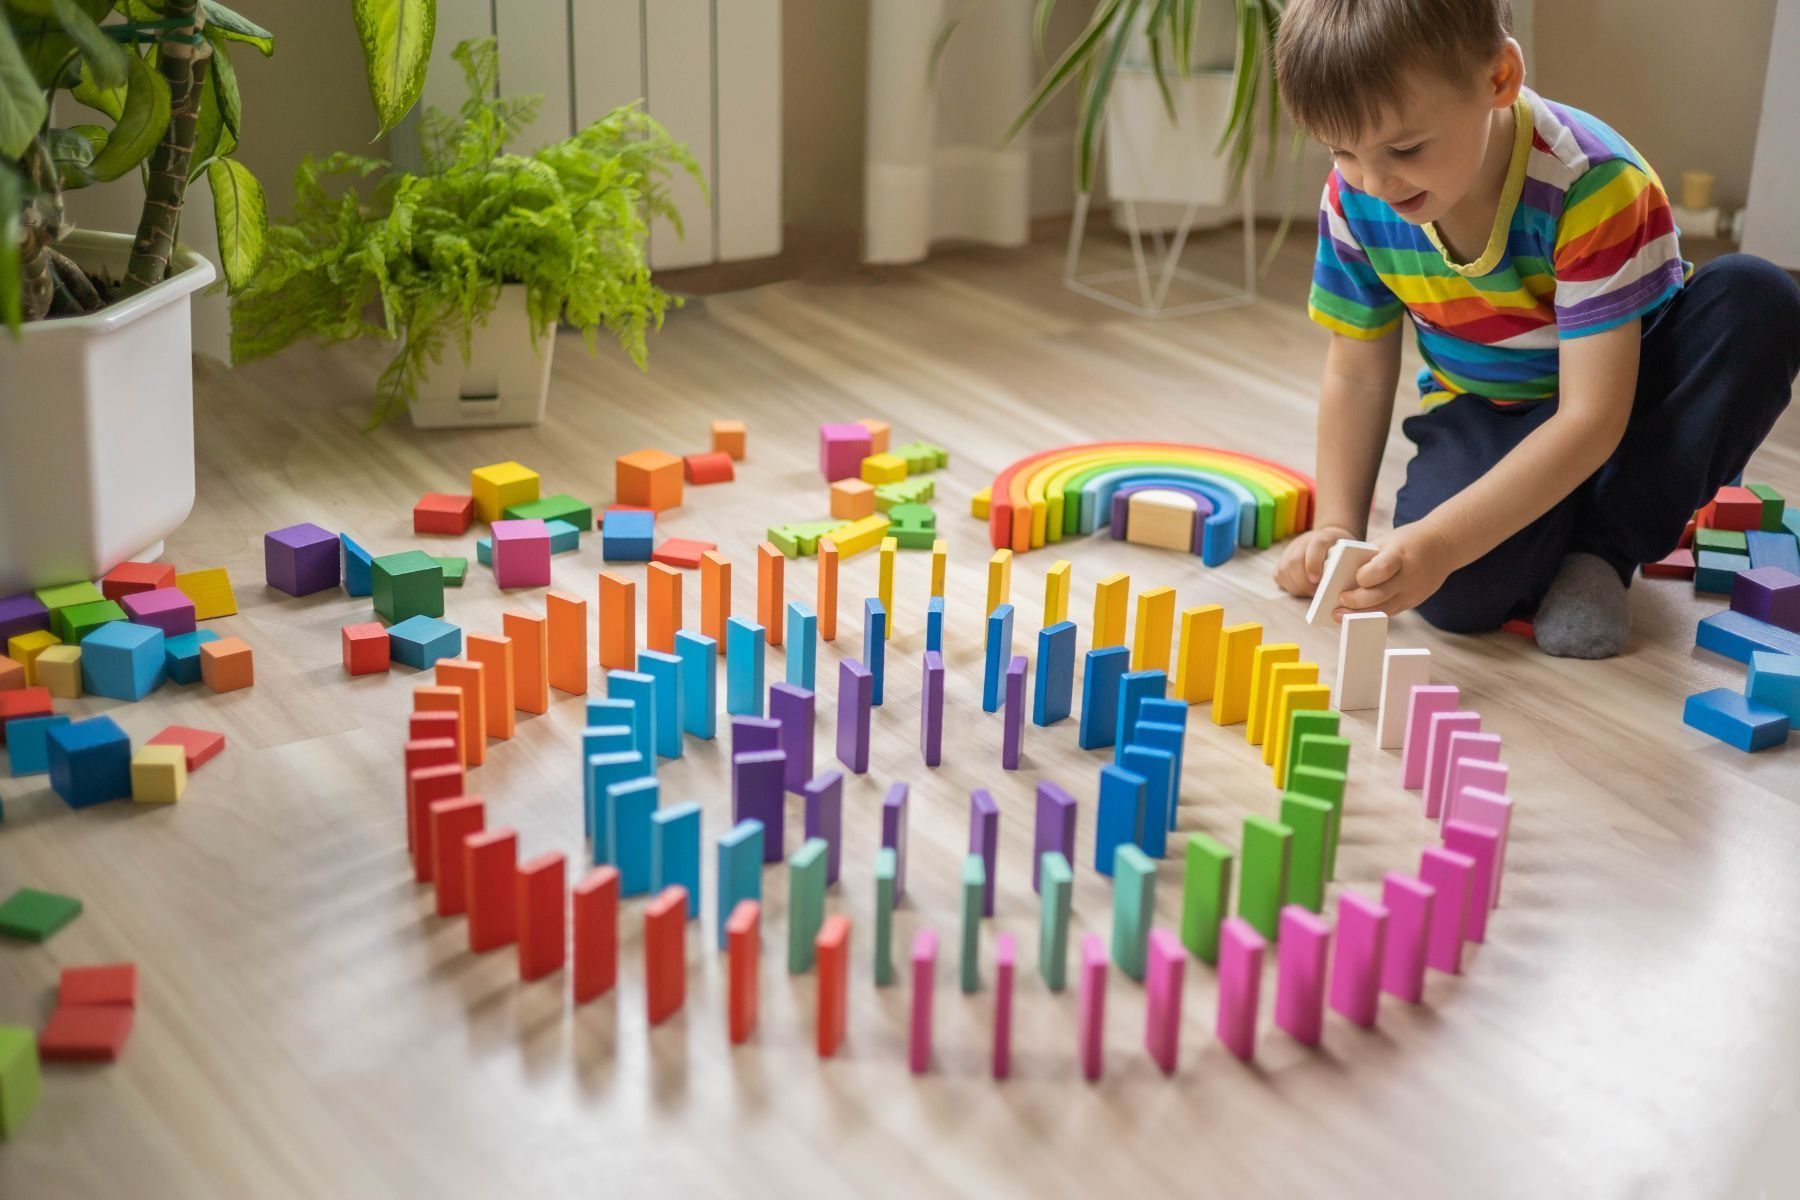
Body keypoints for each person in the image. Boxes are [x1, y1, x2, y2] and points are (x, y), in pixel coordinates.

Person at [1270, 0, 1800, 657]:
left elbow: (1592, 417)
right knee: (1455, 596)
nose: (1373, 181)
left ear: (1498, 79)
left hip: (1623, 400)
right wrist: (1339, 526)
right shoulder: (1355, 198)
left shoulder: (1591, 183)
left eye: (1403, 149)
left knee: (1759, 298)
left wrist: (1441, 539)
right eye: (1342, 150)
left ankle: (1602, 548)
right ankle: (1562, 517)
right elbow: (1355, 371)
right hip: (1486, 404)